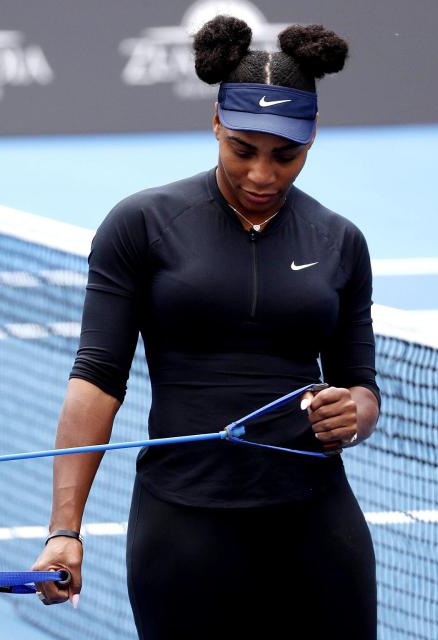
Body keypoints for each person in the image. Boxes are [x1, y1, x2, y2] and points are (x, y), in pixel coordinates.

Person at [32, 16, 380, 638]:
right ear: (216, 123)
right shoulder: (141, 225)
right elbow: (96, 380)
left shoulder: (340, 241)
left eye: (286, 155)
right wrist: (65, 530)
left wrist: (352, 413)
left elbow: (360, 386)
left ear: (313, 137)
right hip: (183, 531)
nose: (262, 175)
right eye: (242, 149)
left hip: (315, 528)